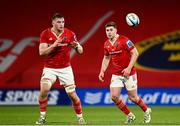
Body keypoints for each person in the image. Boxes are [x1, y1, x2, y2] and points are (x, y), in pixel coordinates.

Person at [36, 13, 86, 125]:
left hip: (65, 68)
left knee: (72, 95)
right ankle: (42, 117)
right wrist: (54, 45)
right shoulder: (45, 33)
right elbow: (41, 52)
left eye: (63, 22)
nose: (61, 24)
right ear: (53, 23)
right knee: (44, 89)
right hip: (50, 68)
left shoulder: (70, 33)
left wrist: (77, 46)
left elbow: (81, 51)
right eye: (59, 22)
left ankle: (80, 117)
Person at [98, 21, 151, 124]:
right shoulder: (106, 44)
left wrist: (128, 68)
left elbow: (135, 53)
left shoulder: (124, 40)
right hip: (117, 74)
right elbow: (106, 57)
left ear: (116, 30)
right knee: (114, 97)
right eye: (107, 30)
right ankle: (130, 115)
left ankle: (146, 110)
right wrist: (102, 71)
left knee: (133, 98)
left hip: (129, 73)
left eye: (111, 30)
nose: (109, 32)